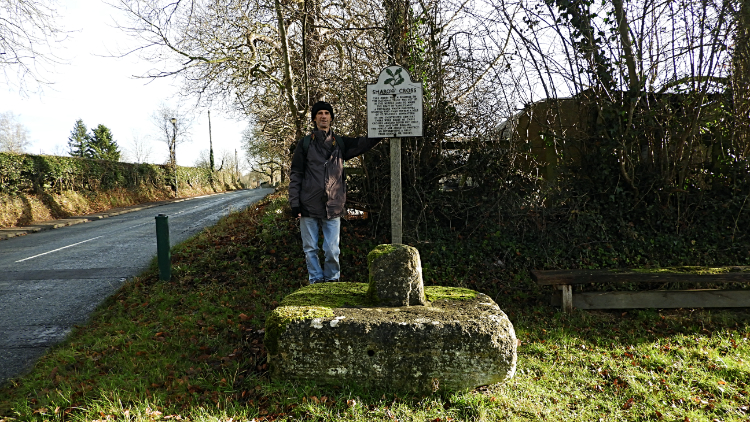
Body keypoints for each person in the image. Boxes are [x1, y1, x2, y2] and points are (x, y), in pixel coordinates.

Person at [289, 101, 381, 284]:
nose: (323, 116)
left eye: (327, 113)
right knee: (310, 248)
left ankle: (332, 281)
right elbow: (296, 174)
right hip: (308, 204)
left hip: (333, 205)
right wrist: (294, 203)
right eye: (320, 113)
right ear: (315, 118)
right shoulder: (305, 144)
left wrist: (382, 132)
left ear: (331, 117)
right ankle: (315, 281)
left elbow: (363, 143)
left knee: (332, 249)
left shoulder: (340, 143)